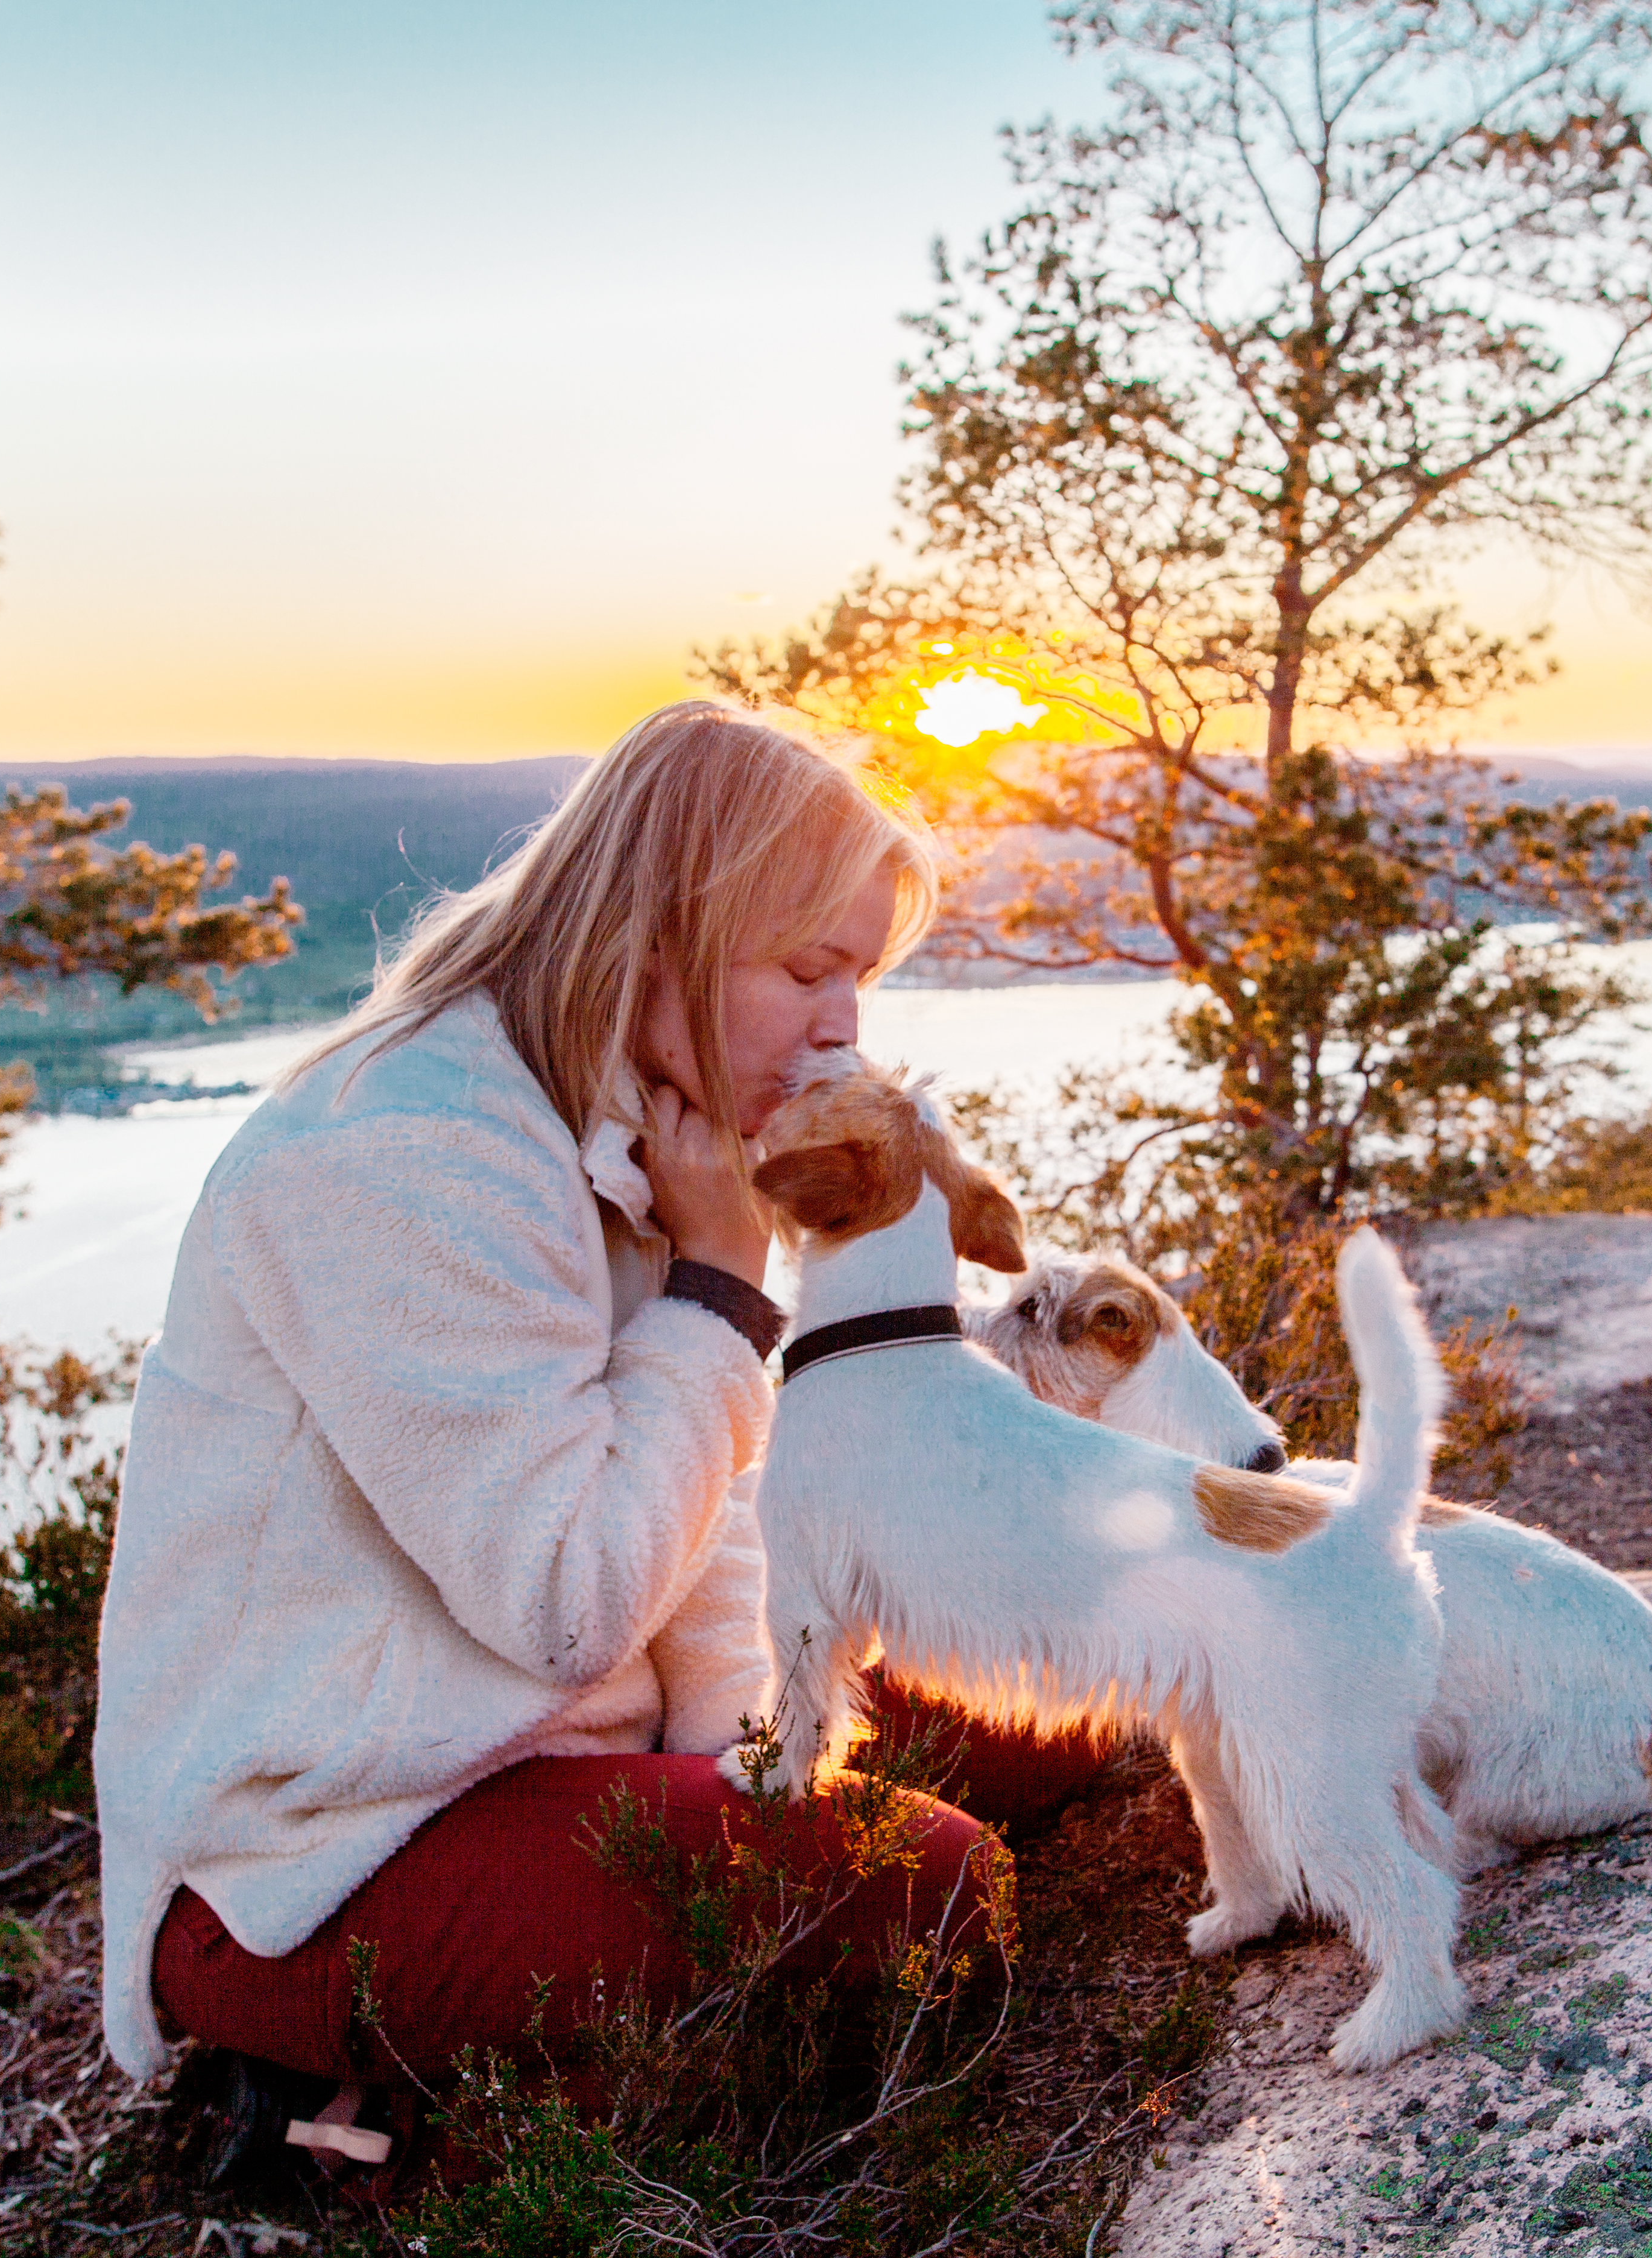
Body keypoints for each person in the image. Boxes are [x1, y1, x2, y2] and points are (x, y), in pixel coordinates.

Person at [90, 702, 1108, 2171]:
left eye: (861, 979)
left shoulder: (646, 1123)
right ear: (653, 941)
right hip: (327, 1850)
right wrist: (719, 1293)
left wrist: (750, 1765)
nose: (843, 1024)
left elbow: (708, 1516)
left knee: (1028, 1697)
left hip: (558, 1744)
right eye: (807, 970)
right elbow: (569, 1602)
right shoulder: (408, 1156)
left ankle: (571, 2049)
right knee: (930, 1886)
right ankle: (353, 2114)